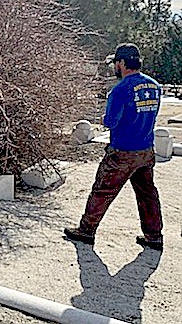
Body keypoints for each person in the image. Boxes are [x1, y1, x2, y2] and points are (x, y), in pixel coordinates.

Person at [64, 43, 164, 250]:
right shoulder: (155, 86)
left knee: (102, 190)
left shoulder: (119, 90)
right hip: (146, 149)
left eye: (115, 63)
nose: (114, 68)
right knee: (147, 193)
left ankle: (86, 230)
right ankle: (154, 236)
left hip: (123, 151)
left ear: (121, 63)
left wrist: (104, 118)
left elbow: (110, 122)